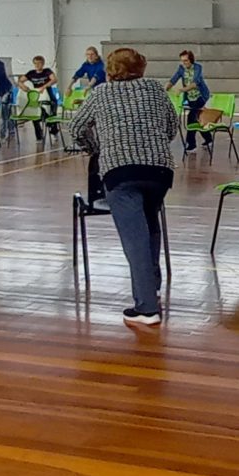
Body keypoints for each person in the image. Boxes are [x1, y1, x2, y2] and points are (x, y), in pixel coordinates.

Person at [65, 46, 181, 326]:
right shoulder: (155, 88)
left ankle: (147, 307)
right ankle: (150, 285)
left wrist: (97, 148)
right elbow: (172, 126)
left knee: (134, 237)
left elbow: (76, 127)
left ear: (111, 69)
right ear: (141, 67)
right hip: (159, 169)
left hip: (120, 170)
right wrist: (155, 143)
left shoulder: (101, 93)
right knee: (150, 224)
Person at [167, 50, 213, 153]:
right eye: (182, 61)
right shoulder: (181, 69)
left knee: (191, 118)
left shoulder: (197, 68)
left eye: (186, 61)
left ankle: (191, 144)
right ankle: (208, 138)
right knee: (197, 118)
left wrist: (182, 90)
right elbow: (173, 80)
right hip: (190, 98)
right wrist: (165, 89)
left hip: (200, 96)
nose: (184, 63)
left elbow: (195, 83)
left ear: (191, 60)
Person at [17, 55, 61, 141]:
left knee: (51, 115)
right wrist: (22, 86)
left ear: (43, 64)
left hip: (49, 96)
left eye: (39, 63)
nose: (37, 65)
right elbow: (20, 80)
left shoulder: (47, 71)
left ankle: (54, 132)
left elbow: (54, 79)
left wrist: (44, 87)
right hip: (37, 96)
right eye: (36, 63)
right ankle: (39, 136)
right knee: (35, 116)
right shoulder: (31, 73)